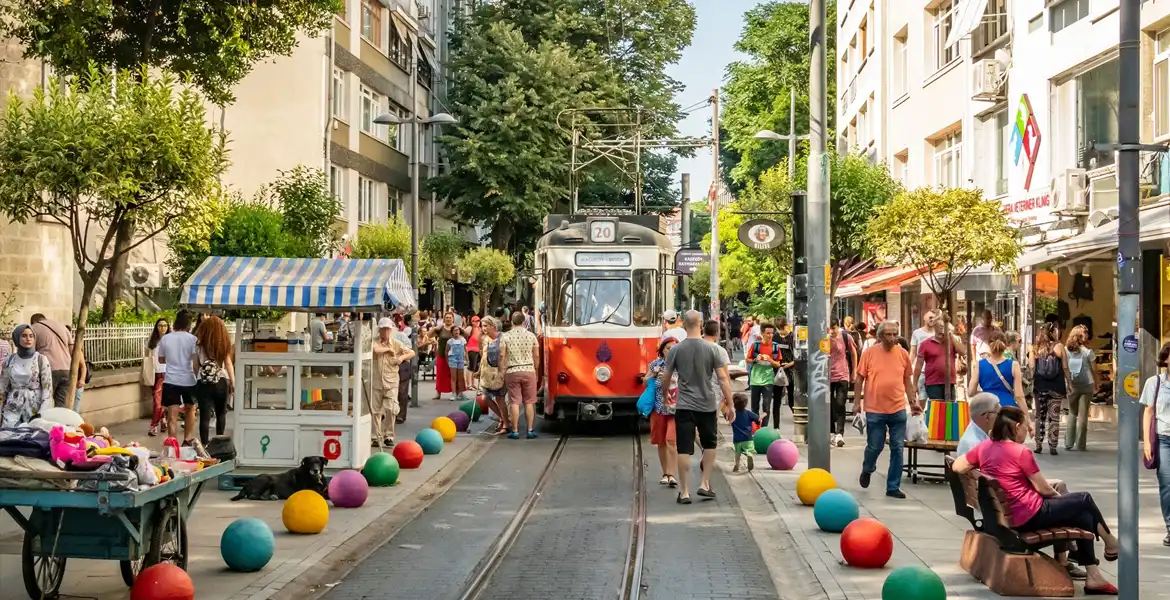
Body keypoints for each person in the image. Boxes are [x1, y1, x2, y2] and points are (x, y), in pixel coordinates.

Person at [952, 406, 1119, 594]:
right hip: (1028, 515)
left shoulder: (984, 447)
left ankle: (1094, 575)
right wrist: (1061, 499)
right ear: (1016, 427)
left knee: (1082, 515)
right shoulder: (1020, 452)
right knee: (1083, 500)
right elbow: (1043, 489)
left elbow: (957, 466)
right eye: (1026, 426)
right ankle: (1110, 542)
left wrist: (983, 471)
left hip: (1006, 515)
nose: (1027, 431)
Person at [660, 310, 733, 505]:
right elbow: (723, 379)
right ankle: (704, 483)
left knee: (684, 447)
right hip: (708, 405)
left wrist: (665, 397)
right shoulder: (713, 349)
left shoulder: (676, 349)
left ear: (684, 325)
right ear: (700, 324)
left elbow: (666, 376)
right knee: (710, 444)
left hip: (684, 405)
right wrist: (730, 403)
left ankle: (684, 492)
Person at [855, 321, 921, 499]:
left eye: (895, 334)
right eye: (889, 335)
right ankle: (868, 468)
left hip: (898, 408)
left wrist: (913, 401)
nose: (893, 338)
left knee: (898, 448)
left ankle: (893, 486)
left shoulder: (903, 354)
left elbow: (907, 380)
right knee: (874, 446)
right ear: (880, 336)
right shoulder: (869, 353)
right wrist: (856, 403)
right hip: (875, 408)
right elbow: (859, 379)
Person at [157, 310, 199, 447]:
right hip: (189, 379)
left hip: (171, 380)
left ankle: (172, 441)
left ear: (176, 321)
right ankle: (187, 439)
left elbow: (161, 359)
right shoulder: (192, 339)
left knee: (172, 414)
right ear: (189, 323)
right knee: (190, 410)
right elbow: (195, 361)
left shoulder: (165, 338)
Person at [1142, 341, 1170, 546]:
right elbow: (1148, 412)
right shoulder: (1154, 382)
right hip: (1163, 439)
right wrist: (1147, 443)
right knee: (1167, 485)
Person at [194, 315, 235, 446]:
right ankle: (219, 443)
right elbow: (228, 363)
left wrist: (197, 378)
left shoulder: (199, 345)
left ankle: (205, 445)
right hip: (221, 381)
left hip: (203, 381)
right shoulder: (223, 344)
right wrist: (233, 381)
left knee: (204, 416)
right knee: (221, 414)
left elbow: (195, 365)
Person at [0, 325, 52, 427]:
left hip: (34, 409)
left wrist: (41, 413)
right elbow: (3, 388)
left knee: (31, 440)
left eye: (31, 336)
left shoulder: (40, 360)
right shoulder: (9, 361)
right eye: (24, 336)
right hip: (12, 408)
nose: (28, 339)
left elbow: (47, 390)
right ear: (16, 338)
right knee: (8, 438)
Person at [373, 318, 413, 447]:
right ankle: (375, 436)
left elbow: (411, 352)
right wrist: (388, 350)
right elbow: (375, 350)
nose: (385, 332)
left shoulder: (396, 343)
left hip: (391, 381)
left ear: (391, 330)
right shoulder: (374, 342)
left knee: (391, 408)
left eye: (388, 329)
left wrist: (401, 358)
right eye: (383, 329)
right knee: (375, 411)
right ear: (379, 330)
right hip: (376, 381)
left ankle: (388, 435)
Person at [1032, 322, 1070, 455]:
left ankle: (1038, 444)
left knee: (1039, 416)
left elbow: (1032, 367)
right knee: (1054, 417)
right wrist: (1069, 382)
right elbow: (1065, 366)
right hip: (1056, 387)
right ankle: (1053, 446)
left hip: (1039, 386)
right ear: (1053, 332)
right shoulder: (1059, 346)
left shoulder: (1035, 348)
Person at [500, 312, 540, 439]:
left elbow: (502, 355)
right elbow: (537, 356)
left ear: (512, 322)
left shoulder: (505, 336)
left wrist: (502, 371)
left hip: (512, 371)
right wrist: (536, 370)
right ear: (524, 322)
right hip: (529, 370)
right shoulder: (531, 336)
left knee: (514, 402)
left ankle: (515, 431)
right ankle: (530, 430)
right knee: (529, 402)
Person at [967, 330, 1024, 409]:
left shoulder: (979, 365)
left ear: (989, 345)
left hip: (987, 408)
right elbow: (1019, 396)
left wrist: (986, 393)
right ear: (1005, 344)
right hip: (1008, 408)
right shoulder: (1014, 365)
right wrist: (1027, 418)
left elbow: (970, 392)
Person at [649, 337, 678, 486]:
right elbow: (645, 381)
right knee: (661, 442)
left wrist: (672, 380)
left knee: (671, 440)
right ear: (662, 350)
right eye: (668, 348)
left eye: (674, 348)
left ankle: (672, 474)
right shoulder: (656, 364)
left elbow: (687, 383)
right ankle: (665, 473)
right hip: (658, 408)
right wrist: (652, 375)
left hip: (674, 408)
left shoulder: (682, 365)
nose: (671, 350)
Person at [1064, 325, 1097, 451]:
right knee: (1083, 415)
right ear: (1081, 336)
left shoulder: (1066, 350)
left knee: (1072, 413)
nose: (1088, 335)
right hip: (1086, 385)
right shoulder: (1088, 351)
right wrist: (1097, 383)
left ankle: (1068, 443)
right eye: (1086, 333)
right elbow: (1094, 369)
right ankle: (1081, 444)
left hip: (1072, 385)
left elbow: (1064, 367)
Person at [913, 316, 961, 401]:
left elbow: (963, 352)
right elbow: (918, 365)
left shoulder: (952, 342)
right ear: (935, 329)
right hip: (933, 383)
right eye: (940, 328)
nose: (942, 332)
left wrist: (951, 337)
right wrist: (914, 383)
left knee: (950, 409)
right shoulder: (925, 344)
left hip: (950, 382)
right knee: (938, 409)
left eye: (943, 328)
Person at [29, 313, 72, 408]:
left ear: (34, 321)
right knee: (61, 403)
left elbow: (30, 353)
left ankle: (46, 422)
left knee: (44, 401)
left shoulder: (34, 328)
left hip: (48, 369)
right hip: (67, 369)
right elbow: (72, 349)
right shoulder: (62, 326)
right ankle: (59, 422)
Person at [745, 322, 781, 428]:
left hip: (768, 380)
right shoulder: (755, 345)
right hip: (755, 379)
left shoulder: (775, 346)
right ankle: (755, 428)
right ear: (762, 333)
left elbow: (778, 364)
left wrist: (770, 359)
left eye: (771, 333)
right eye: (767, 333)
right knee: (754, 407)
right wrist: (756, 359)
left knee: (766, 406)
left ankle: (764, 429)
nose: (770, 335)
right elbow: (747, 360)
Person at [828, 318, 858, 446]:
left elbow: (853, 353)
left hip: (842, 374)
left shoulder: (846, 337)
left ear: (838, 326)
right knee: (828, 404)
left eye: (834, 328)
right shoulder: (823, 338)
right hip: (826, 376)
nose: (832, 331)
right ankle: (830, 431)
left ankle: (839, 434)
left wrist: (854, 371)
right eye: (829, 328)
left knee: (841, 403)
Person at [479, 317, 510, 435]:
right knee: (485, 398)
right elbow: (483, 357)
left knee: (500, 399)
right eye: (483, 326)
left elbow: (505, 356)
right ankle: (502, 418)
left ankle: (506, 423)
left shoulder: (503, 338)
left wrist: (503, 373)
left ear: (493, 326)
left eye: (486, 326)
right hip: (487, 374)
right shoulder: (485, 339)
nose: (484, 328)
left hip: (500, 373)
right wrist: (479, 370)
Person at [145, 318, 169, 436]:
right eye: (160, 325)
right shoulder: (152, 340)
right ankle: (163, 421)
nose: (163, 328)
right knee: (158, 400)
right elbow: (146, 355)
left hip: (165, 373)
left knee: (157, 401)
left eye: (165, 325)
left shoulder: (170, 339)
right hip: (153, 372)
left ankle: (153, 425)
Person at [909, 309, 940, 401]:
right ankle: (920, 415)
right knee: (922, 399)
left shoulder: (938, 333)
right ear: (924, 318)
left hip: (935, 372)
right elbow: (913, 352)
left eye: (934, 318)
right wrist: (909, 368)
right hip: (921, 371)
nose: (932, 320)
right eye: (930, 317)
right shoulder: (917, 333)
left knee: (935, 400)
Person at [730, 392, 763, 473]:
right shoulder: (748, 413)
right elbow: (758, 419)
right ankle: (749, 455)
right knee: (749, 449)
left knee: (737, 453)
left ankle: (737, 465)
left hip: (737, 438)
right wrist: (762, 416)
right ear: (745, 404)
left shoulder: (733, 414)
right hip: (747, 438)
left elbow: (727, 417)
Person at [433, 312, 456, 400]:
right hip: (441, 354)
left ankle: (455, 392)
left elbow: (465, 335)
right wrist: (436, 327)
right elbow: (429, 334)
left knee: (453, 374)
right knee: (440, 374)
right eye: (446, 317)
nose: (448, 319)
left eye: (450, 317)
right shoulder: (441, 328)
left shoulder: (455, 328)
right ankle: (438, 393)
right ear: (444, 319)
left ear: (453, 319)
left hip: (453, 355)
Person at [775, 319, 797, 411]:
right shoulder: (776, 337)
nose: (780, 332)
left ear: (785, 327)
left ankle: (796, 415)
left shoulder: (793, 337)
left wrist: (789, 364)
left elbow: (799, 356)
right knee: (776, 397)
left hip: (791, 372)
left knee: (791, 397)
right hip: (778, 370)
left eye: (781, 329)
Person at [447, 326, 468, 402]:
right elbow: (446, 351)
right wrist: (447, 361)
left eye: (458, 330)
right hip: (452, 360)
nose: (456, 331)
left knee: (461, 377)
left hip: (461, 360)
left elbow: (465, 350)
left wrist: (467, 360)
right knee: (453, 378)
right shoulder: (450, 341)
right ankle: (453, 393)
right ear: (452, 332)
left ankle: (461, 393)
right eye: (455, 330)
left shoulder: (463, 340)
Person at [466, 315, 482, 390]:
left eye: (479, 321)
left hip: (478, 350)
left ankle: (473, 383)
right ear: (472, 322)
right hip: (471, 349)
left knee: (476, 367)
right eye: (476, 321)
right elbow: (464, 334)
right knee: (471, 367)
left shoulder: (479, 329)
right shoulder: (470, 328)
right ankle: (469, 384)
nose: (478, 322)